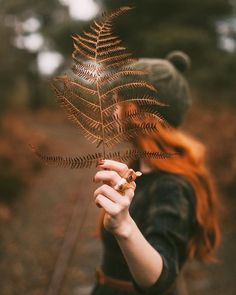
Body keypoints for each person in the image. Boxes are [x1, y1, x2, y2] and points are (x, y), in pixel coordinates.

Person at [91, 51, 221, 295]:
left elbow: (161, 276)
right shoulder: (140, 167)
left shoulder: (171, 185)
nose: (114, 112)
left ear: (139, 113)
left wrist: (123, 226)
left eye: (119, 103)